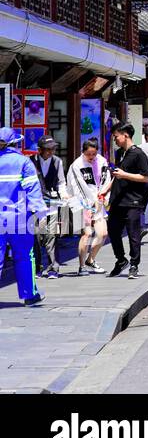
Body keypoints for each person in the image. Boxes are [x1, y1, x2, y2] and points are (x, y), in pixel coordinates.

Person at [0, 127, 47, 305]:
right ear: (15, 143)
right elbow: (33, 191)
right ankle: (29, 295)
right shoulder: (24, 163)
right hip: (20, 220)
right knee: (25, 257)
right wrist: (41, 213)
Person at [105, 123, 148, 279]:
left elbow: (145, 177)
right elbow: (118, 174)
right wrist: (106, 189)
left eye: (116, 136)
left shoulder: (139, 154)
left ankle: (134, 264)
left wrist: (125, 175)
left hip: (133, 200)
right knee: (112, 231)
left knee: (133, 234)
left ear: (125, 135)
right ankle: (121, 259)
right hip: (117, 199)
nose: (115, 140)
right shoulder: (119, 153)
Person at [64, 139, 111, 275]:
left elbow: (105, 180)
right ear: (83, 152)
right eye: (88, 154)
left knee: (103, 233)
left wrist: (104, 197)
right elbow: (78, 188)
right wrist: (89, 205)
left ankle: (91, 259)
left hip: (98, 202)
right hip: (81, 204)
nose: (91, 157)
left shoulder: (102, 161)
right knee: (87, 234)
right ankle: (81, 266)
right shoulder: (76, 165)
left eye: (94, 154)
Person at [32, 137, 67, 278]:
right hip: (35, 204)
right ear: (40, 150)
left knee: (51, 235)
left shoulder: (57, 161)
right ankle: (38, 267)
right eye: (48, 149)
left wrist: (64, 195)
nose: (51, 151)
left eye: (53, 148)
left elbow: (61, 182)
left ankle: (53, 267)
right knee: (37, 236)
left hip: (52, 203)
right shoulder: (31, 162)